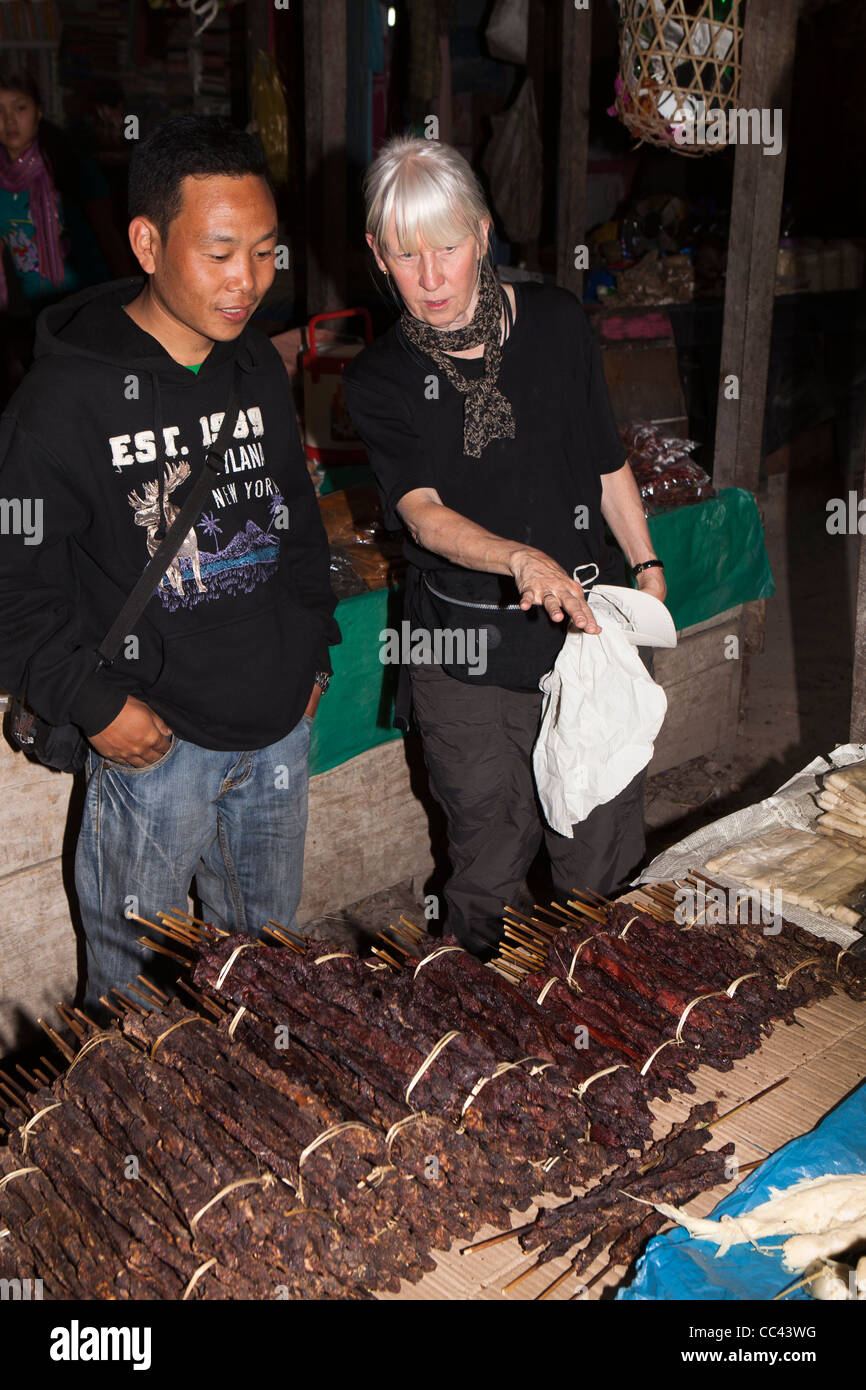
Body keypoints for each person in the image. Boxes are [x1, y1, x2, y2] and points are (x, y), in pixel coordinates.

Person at [0, 115, 339, 1014]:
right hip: (157, 751)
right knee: (134, 1001)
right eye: (221, 252)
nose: (250, 283)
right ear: (148, 242)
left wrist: (314, 650)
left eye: (266, 253)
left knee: (267, 972)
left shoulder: (255, 368)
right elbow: (14, 586)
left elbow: (297, 520)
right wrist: (97, 706)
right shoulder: (60, 402)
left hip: (276, 733)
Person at [343, 135, 667, 959]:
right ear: (378, 256)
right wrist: (519, 558)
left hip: (582, 636)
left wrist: (648, 565)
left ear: (484, 235)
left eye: (447, 249)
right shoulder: (379, 378)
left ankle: (599, 1013)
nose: (431, 280)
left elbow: (605, 458)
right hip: (463, 650)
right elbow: (422, 514)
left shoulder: (557, 322)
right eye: (406, 256)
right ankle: (476, 1024)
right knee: (486, 857)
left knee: (599, 858)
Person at [0, 68, 134, 396]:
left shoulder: (71, 166)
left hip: (88, 306)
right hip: (32, 319)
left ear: (39, 112)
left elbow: (109, 239)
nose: (9, 121)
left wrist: (132, 302)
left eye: (20, 108)